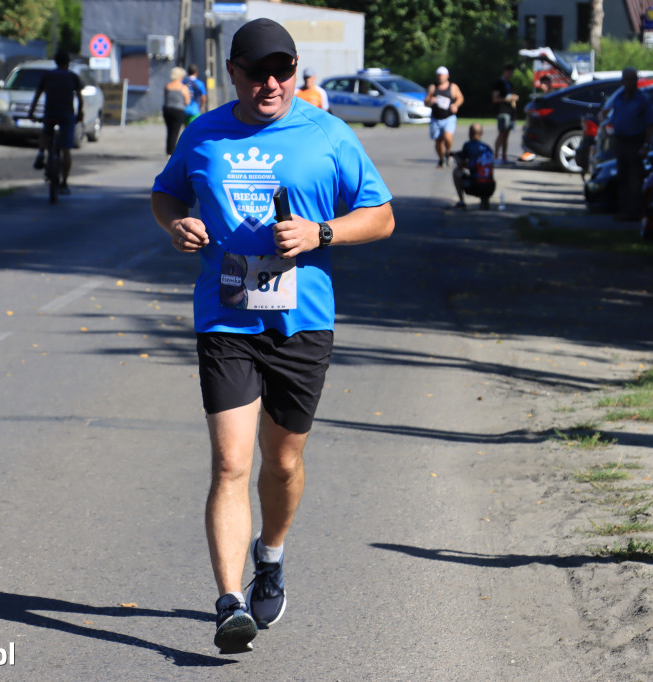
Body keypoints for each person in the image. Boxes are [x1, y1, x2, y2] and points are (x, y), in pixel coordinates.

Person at [150, 17, 395, 655]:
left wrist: (323, 234)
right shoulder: (203, 133)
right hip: (226, 315)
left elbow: (383, 216)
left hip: (302, 320)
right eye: (258, 71)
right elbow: (165, 195)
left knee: (282, 461)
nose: (272, 83)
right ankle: (230, 602)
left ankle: (272, 553)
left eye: (282, 70)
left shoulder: (327, 133)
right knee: (231, 463)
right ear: (233, 72)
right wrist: (177, 225)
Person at [602, 68, 653, 222]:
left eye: (634, 79)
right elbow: (613, 117)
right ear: (623, 81)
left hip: (635, 142)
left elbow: (650, 124)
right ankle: (623, 210)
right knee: (622, 177)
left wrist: (646, 145)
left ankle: (634, 212)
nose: (632, 82)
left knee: (634, 179)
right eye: (629, 79)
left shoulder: (643, 99)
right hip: (620, 142)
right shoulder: (619, 97)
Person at [28, 49, 84, 195]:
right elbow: (80, 97)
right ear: (68, 62)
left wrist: (32, 112)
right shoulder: (73, 77)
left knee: (46, 132)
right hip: (66, 115)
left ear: (56, 62)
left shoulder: (48, 75)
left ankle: (41, 153)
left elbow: (38, 94)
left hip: (50, 112)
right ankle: (64, 183)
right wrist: (80, 113)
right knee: (66, 149)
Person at [425, 66, 463, 168]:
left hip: (449, 117)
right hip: (436, 118)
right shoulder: (433, 87)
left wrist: (456, 105)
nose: (440, 77)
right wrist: (430, 100)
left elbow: (460, 98)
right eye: (438, 75)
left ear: (447, 76)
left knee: (447, 136)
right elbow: (426, 102)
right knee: (438, 141)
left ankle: (448, 152)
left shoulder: (453, 87)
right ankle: (441, 159)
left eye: (442, 75)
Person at [451, 123, 495, 210]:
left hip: (475, 187)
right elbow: (479, 165)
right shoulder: (488, 148)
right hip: (491, 187)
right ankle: (485, 200)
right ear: (481, 133)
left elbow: (460, 165)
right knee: (483, 176)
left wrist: (456, 157)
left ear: (469, 133)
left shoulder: (468, 145)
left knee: (456, 171)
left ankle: (461, 201)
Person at [491, 63, 519, 164]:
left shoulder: (510, 84)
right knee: (501, 134)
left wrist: (515, 113)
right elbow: (495, 99)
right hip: (502, 111)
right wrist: (506, 99)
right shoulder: (498, 83)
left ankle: (504, 156)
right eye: (509, 72)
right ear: (505, 72)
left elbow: (512, 101)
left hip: (510, 112)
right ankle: (496, 155)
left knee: (506, 135)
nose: (510, 74)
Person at [163, 66, 190, 155]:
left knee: (169, 131)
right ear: (180, 76)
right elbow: (187, 101)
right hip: (178, 111)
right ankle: (172, 152)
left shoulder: (168, 86)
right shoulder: (183, 87)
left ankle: (168, 151)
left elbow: (165, 97)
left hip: (167, 109)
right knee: (175, 131)